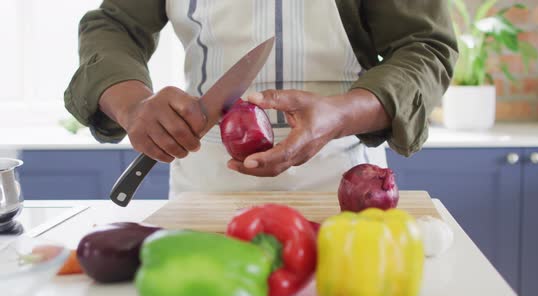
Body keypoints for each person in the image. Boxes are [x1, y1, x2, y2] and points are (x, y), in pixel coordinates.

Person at [65, 0, 457, 198]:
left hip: (343, 180)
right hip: (207, 182)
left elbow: (424, 46)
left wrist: (341, 113)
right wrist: (132, 104)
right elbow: (115, 25)